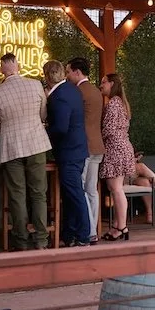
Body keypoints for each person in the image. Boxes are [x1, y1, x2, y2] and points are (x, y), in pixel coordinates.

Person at [0, 52, 53, 250]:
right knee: (39, 193)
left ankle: (21, 241)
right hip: (36, 144)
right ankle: (41, 240)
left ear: (1, 70)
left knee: (17, 195)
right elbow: (43, 115)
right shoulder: (35, 85)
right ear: (18, 66)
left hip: (11, 147)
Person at [43, 60, 91, 247]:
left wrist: (44, 131)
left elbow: (61, 128)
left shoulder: (59, 96)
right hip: (78, 149)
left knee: (75, 194)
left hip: (69, 152)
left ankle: (83, 235)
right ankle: (70, 234)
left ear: (47, 76)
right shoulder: (72, 90)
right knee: (71, 194)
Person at [66, 56, 103, 245]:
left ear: (77, 72)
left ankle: (87, 231)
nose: (67, 76)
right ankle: (93, 230)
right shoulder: (96, 90)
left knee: (80, 191)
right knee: (92, 191)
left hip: (83, 147)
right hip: (98, 145)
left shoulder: (77, 92)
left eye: (68, 72)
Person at [98, 72, 135, 241]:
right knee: (117, 189)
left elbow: (108, 129)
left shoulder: (113, 103)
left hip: (115, 148)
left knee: (116, 189)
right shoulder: (122, 102)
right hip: (122, 146)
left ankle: (121, 226)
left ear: (112, 84)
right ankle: (119, 226)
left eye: (104, 82)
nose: (101, 85)